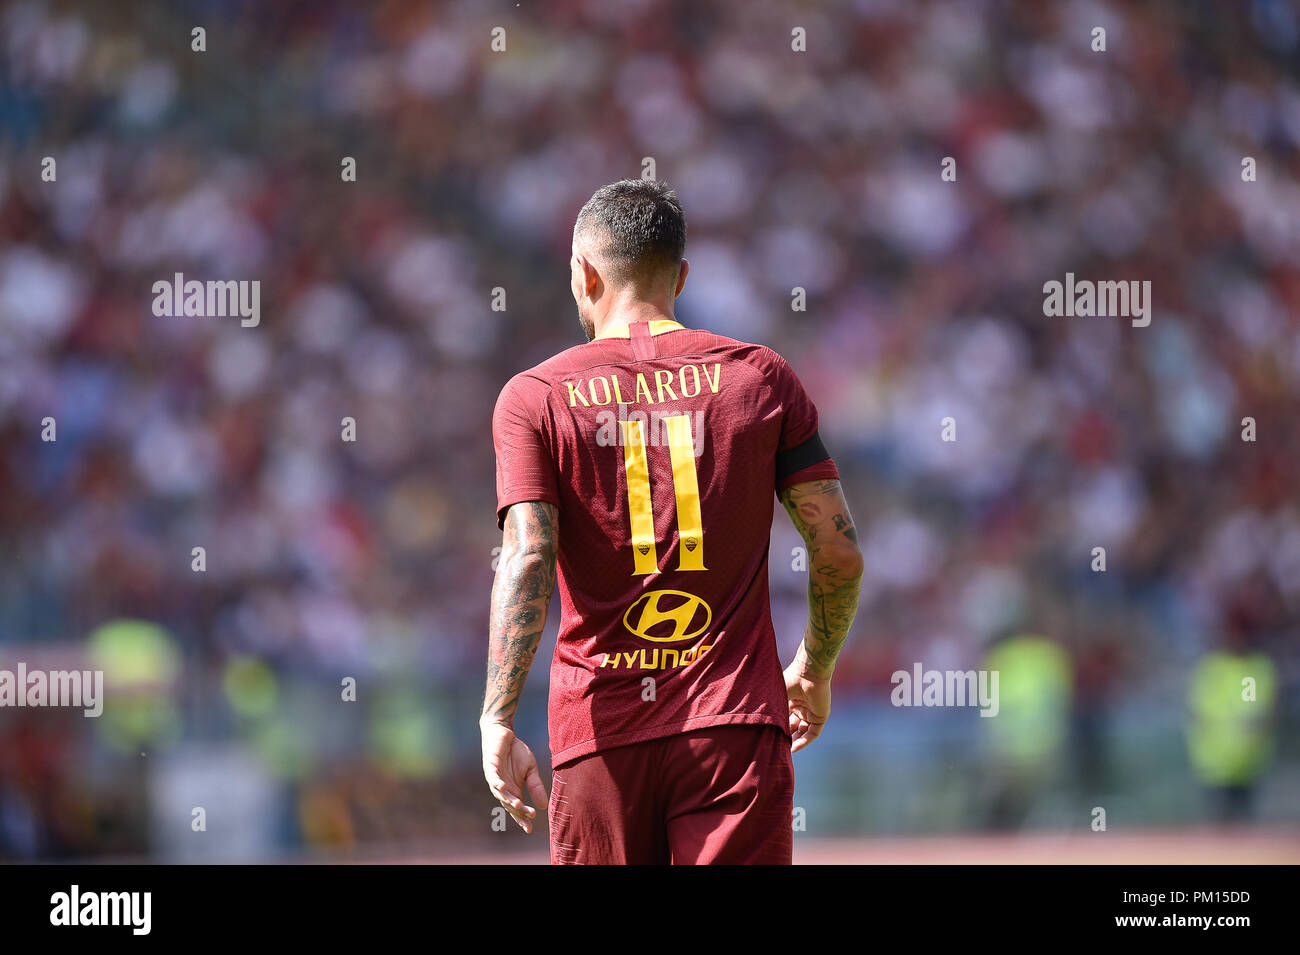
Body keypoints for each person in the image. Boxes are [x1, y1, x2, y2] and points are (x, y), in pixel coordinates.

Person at [480, 179, 862, 864]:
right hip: (734, 727)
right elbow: (837, 551)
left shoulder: (534, 396)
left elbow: (529, 557)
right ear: (681, 275)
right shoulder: (760, 378)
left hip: (598, 733)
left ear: (583, 273)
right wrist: (814, 667)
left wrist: (497, 716)